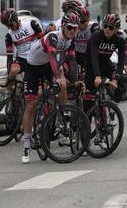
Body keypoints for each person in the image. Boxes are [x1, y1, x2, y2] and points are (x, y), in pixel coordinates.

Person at [21, 12, 79, 164]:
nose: (73, 31)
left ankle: (63, 116)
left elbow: (72, 61)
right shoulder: (54, 36)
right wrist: (58, 76)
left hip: (47, 66)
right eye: (70, 27)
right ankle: (26, 143)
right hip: (33, 67)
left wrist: (75, 80)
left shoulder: (70, 41)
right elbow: (53, 58)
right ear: (63, 27)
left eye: (75, 28)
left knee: (63, 85)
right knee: (30, 105)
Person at [86, 14, 127, 96]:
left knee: (123, 79)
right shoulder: (96, 36)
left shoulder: (120, 40)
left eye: (111, 28)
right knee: (90, 100)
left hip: (105, 65)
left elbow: (121, 62)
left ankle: (113, 103)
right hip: (91, 66)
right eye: (105, 26)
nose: (107, 29)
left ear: (116, 29)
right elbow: (94, 57)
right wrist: (97, 75)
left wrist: (115, 80)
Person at [1, 8, 43, 86]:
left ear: (16, 19)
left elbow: (43, 41)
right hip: (22, 59)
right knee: (13, 70)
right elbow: (9, 56)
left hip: (36, 56)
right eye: (7, 26)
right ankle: (10, 91)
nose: (10, 28)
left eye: (10, 25)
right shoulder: (9, 35)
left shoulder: (31, 24)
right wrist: (9, 74)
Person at [73, 6, 100, 70]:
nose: (86, 23)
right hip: (76, 54)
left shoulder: (93, 26)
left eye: (87, 20)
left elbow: (97, 36)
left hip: (89, 54)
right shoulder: (72, 28)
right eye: (83, 21)